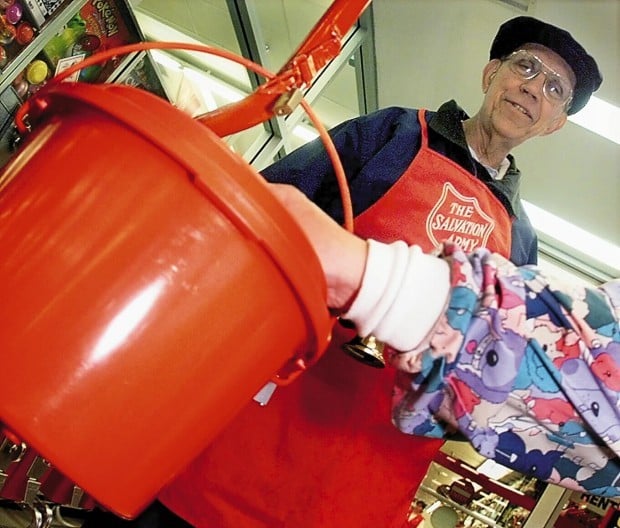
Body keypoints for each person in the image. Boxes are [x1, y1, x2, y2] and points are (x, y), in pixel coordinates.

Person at [82, 14, 604, 528]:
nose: (534, 88)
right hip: (258, 413)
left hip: (357, 476)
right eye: (526, 67)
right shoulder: (394, 132)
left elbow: (493, 383)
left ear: (555, 123)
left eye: (554, 88)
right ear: (492, 75)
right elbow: (265, 210)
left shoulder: (522, 238)